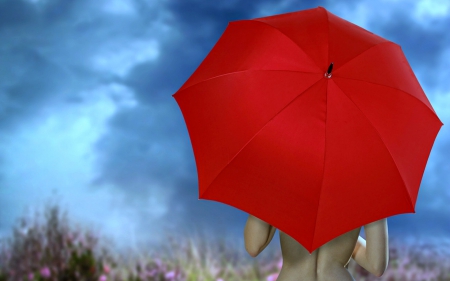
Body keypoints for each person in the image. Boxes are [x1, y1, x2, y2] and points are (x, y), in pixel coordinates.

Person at [244, 214, 388, 281]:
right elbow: (376, 266)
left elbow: (253, 246)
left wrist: (268, 187)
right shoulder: (361, 187)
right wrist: (344, 240)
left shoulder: (284, 180)